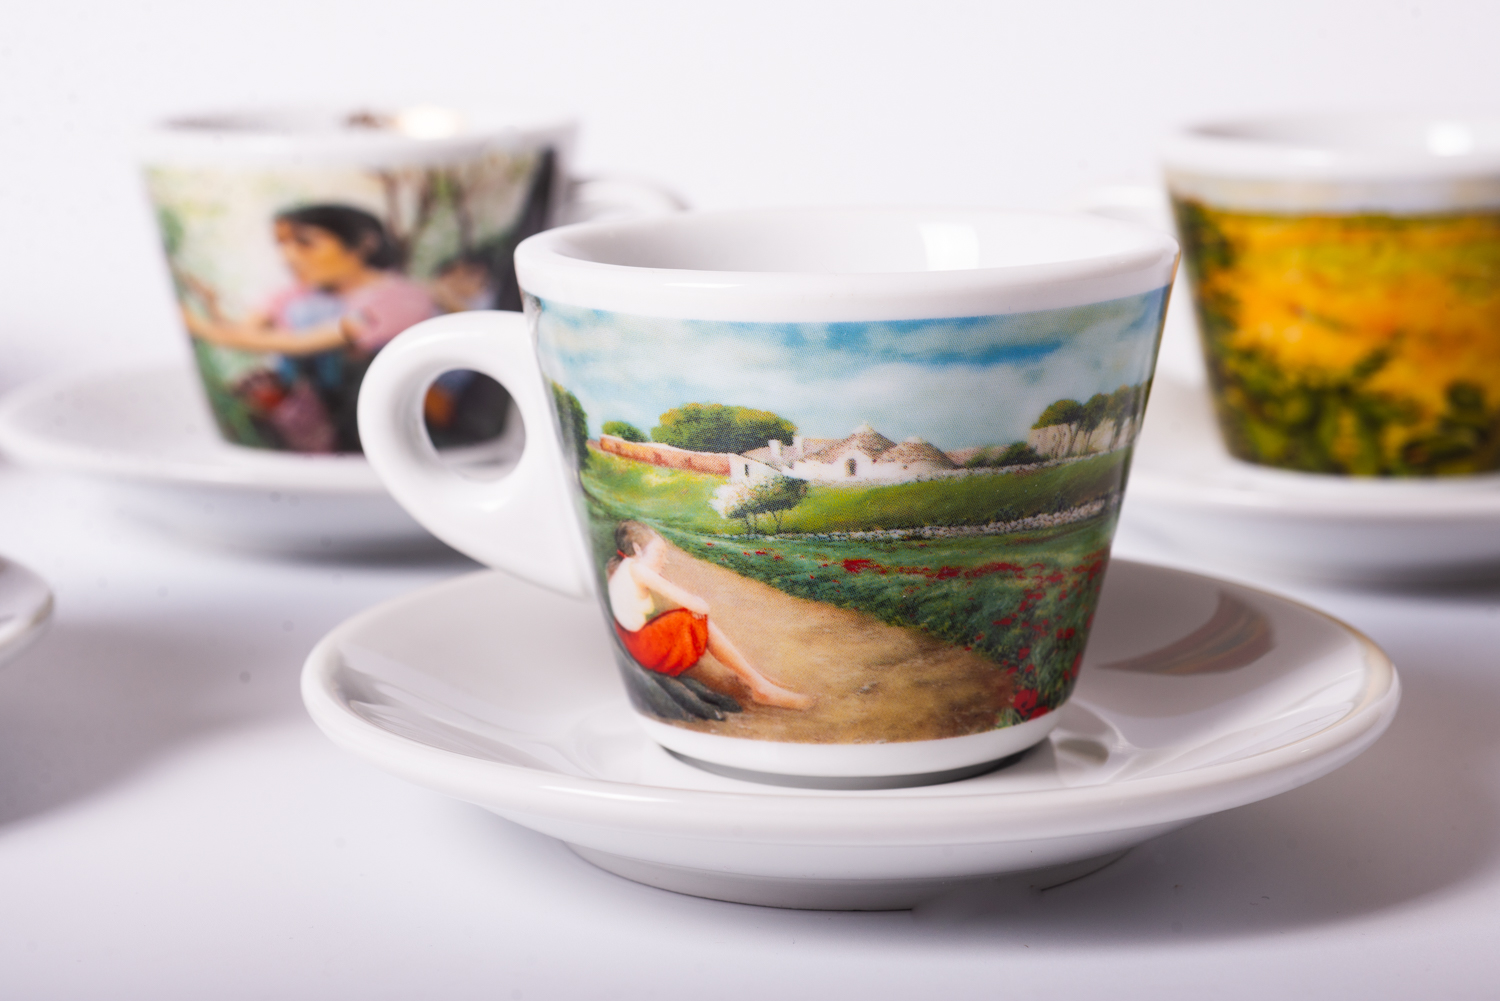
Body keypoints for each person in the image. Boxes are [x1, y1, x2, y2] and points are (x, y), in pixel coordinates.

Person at [181, 204, 440, 451]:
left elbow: (302, 342)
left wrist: (199, 326)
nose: (289, 256)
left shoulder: (398, 297)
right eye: (283, 245)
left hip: (380, 424)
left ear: (363, 243)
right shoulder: (298, 293)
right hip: (306, 415)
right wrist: (210, 304)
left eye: (305, 243)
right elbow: (244, 333)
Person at [607, 521, 810, 710]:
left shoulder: (625, 566)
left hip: (630, 640)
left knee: (690, 616)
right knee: (698, 619)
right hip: (641, 646)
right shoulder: (640, 571)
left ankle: (754, 677)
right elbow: (699, 606)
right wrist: (697, 605)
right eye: (659, 553)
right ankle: (760, 687)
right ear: (637, 549)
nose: (664, 560)